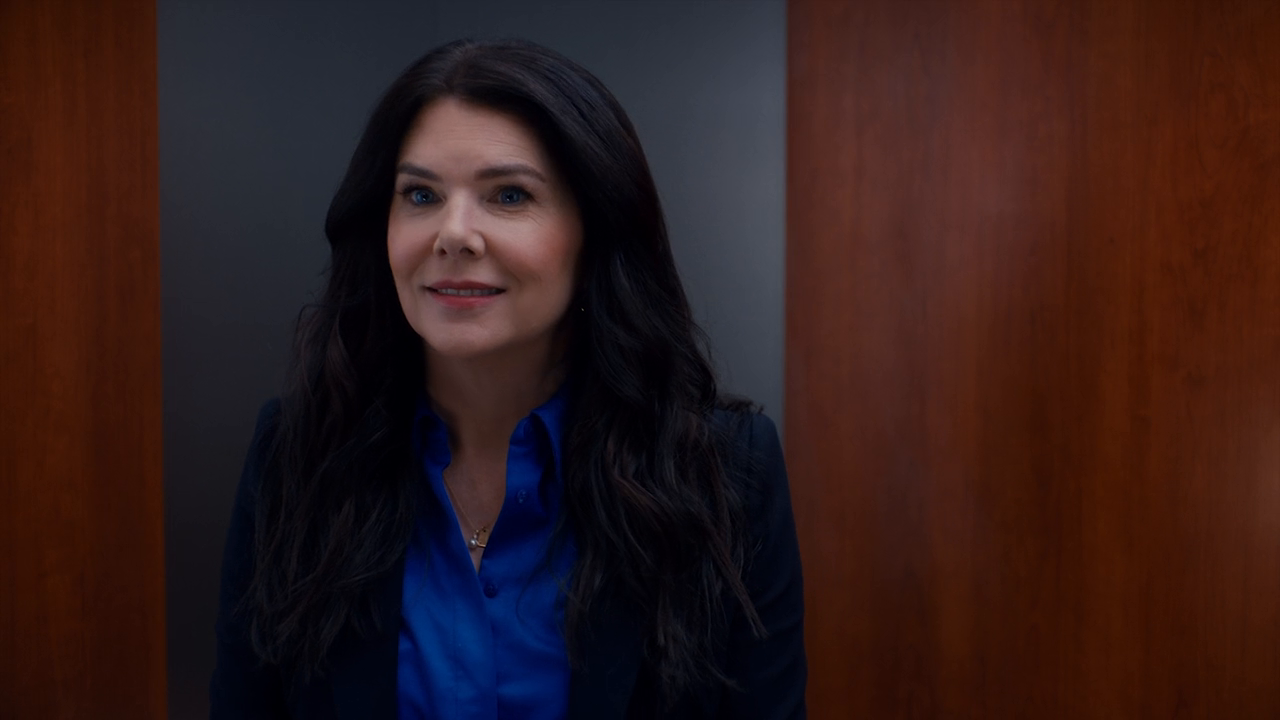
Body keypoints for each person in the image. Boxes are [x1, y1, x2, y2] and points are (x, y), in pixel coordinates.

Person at [210, 38, 805, 719]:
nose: (454, 234)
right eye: (421, 194)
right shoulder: (297, 455)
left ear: (595, 231)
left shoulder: (725, 474)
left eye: (510, 195)